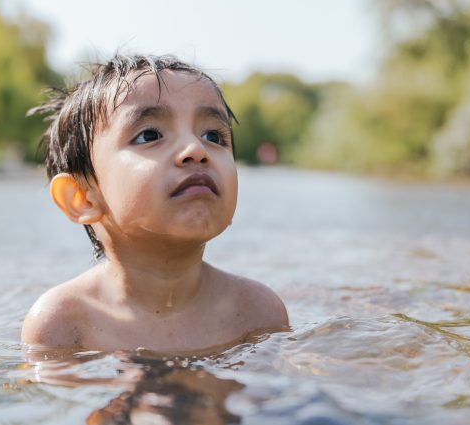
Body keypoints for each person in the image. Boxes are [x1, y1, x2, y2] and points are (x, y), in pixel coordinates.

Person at [21, 54, 288, 352]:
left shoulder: (257, 312)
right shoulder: (64, 324)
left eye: (213, 135)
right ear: (81, 198)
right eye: (150, 135)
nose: (195, 149)